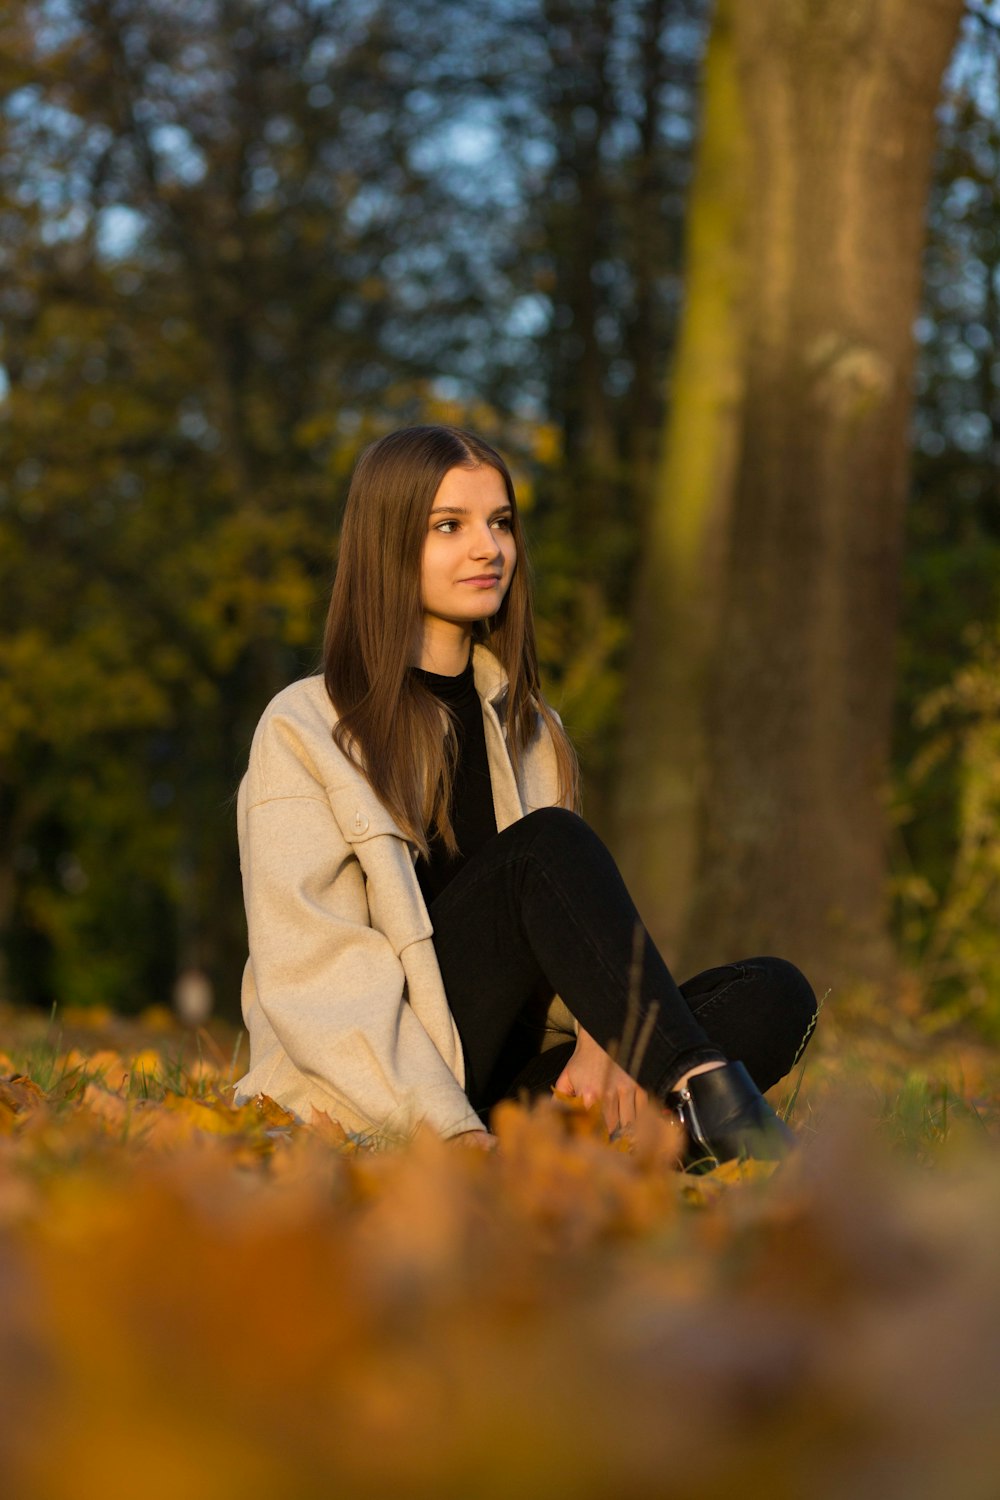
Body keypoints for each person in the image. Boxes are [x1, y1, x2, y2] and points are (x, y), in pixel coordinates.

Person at [234, 425, 817, 1165]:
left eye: (500, 523)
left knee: (774, 994)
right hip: (387, 1090)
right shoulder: (305, 727)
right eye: (450, 526)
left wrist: (610, 1035)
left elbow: (576, 928)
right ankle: (702, 1109)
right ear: (387, 543)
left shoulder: (531, 727)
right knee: (546, 847)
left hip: (520, 1087)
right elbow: (320, 983)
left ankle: (622, 1140)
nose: (489, 548)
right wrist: (453, 1132)